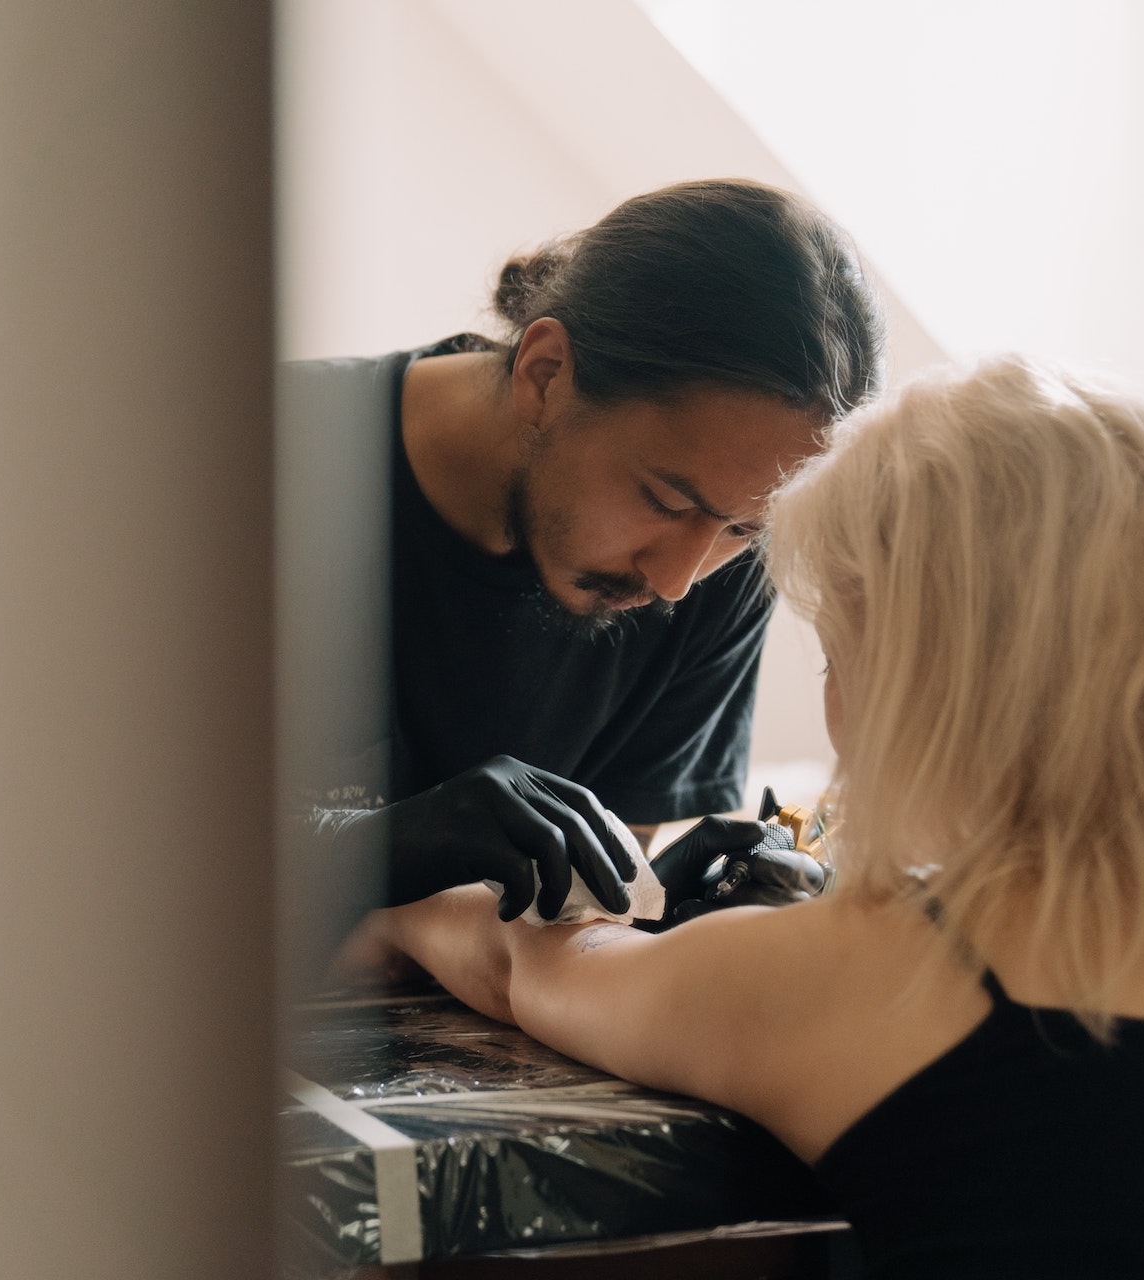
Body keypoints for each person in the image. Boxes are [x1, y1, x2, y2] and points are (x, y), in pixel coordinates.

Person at [357, 356, 1144, 1276]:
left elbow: (533, 966)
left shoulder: (875, 972)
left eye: (839, 658)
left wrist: (405, 898)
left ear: (916, 672)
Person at [284, 180, 883, 953]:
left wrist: (659, 915)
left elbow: (565, 929)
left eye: (741, 528)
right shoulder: (248, 469)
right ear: (544, 372)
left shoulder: (718, 569)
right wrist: (367, 849)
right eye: (665, 500)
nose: (677, 581)